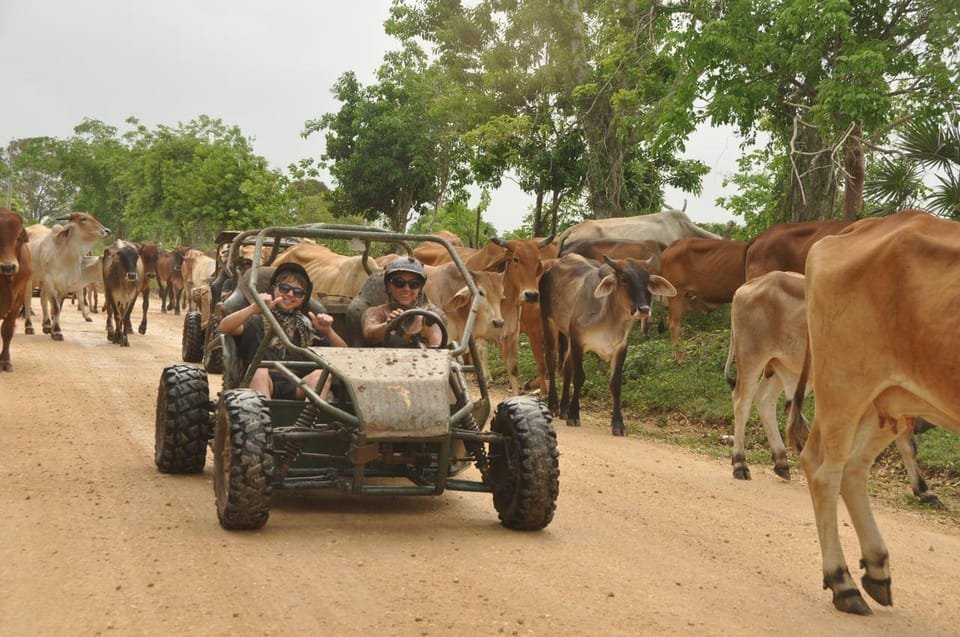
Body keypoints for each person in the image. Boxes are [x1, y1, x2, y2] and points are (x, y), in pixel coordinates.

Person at [219, 262, 346, 400]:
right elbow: (225, 327)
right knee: (260, 371)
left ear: (303, 298)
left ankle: (310, 419)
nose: (290, 294)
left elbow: (345, 354)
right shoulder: (257, 320)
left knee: (320, 374)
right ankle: (263, 419)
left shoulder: (309, 325)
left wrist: (328, 331)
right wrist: (254, 308)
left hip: (299, 385)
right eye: (284, 288)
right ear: (274, 289)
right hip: (262, 383)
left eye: (298, 292)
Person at [361, 256, 443, 347]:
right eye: (399, 282)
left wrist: (427, 332)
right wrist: (389, 325)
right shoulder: (376, 312)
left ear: (419, 290)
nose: (406, 289)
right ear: (389, 286)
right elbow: (370, 335)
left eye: (414, 284)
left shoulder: (427, 317)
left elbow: (438, 349)